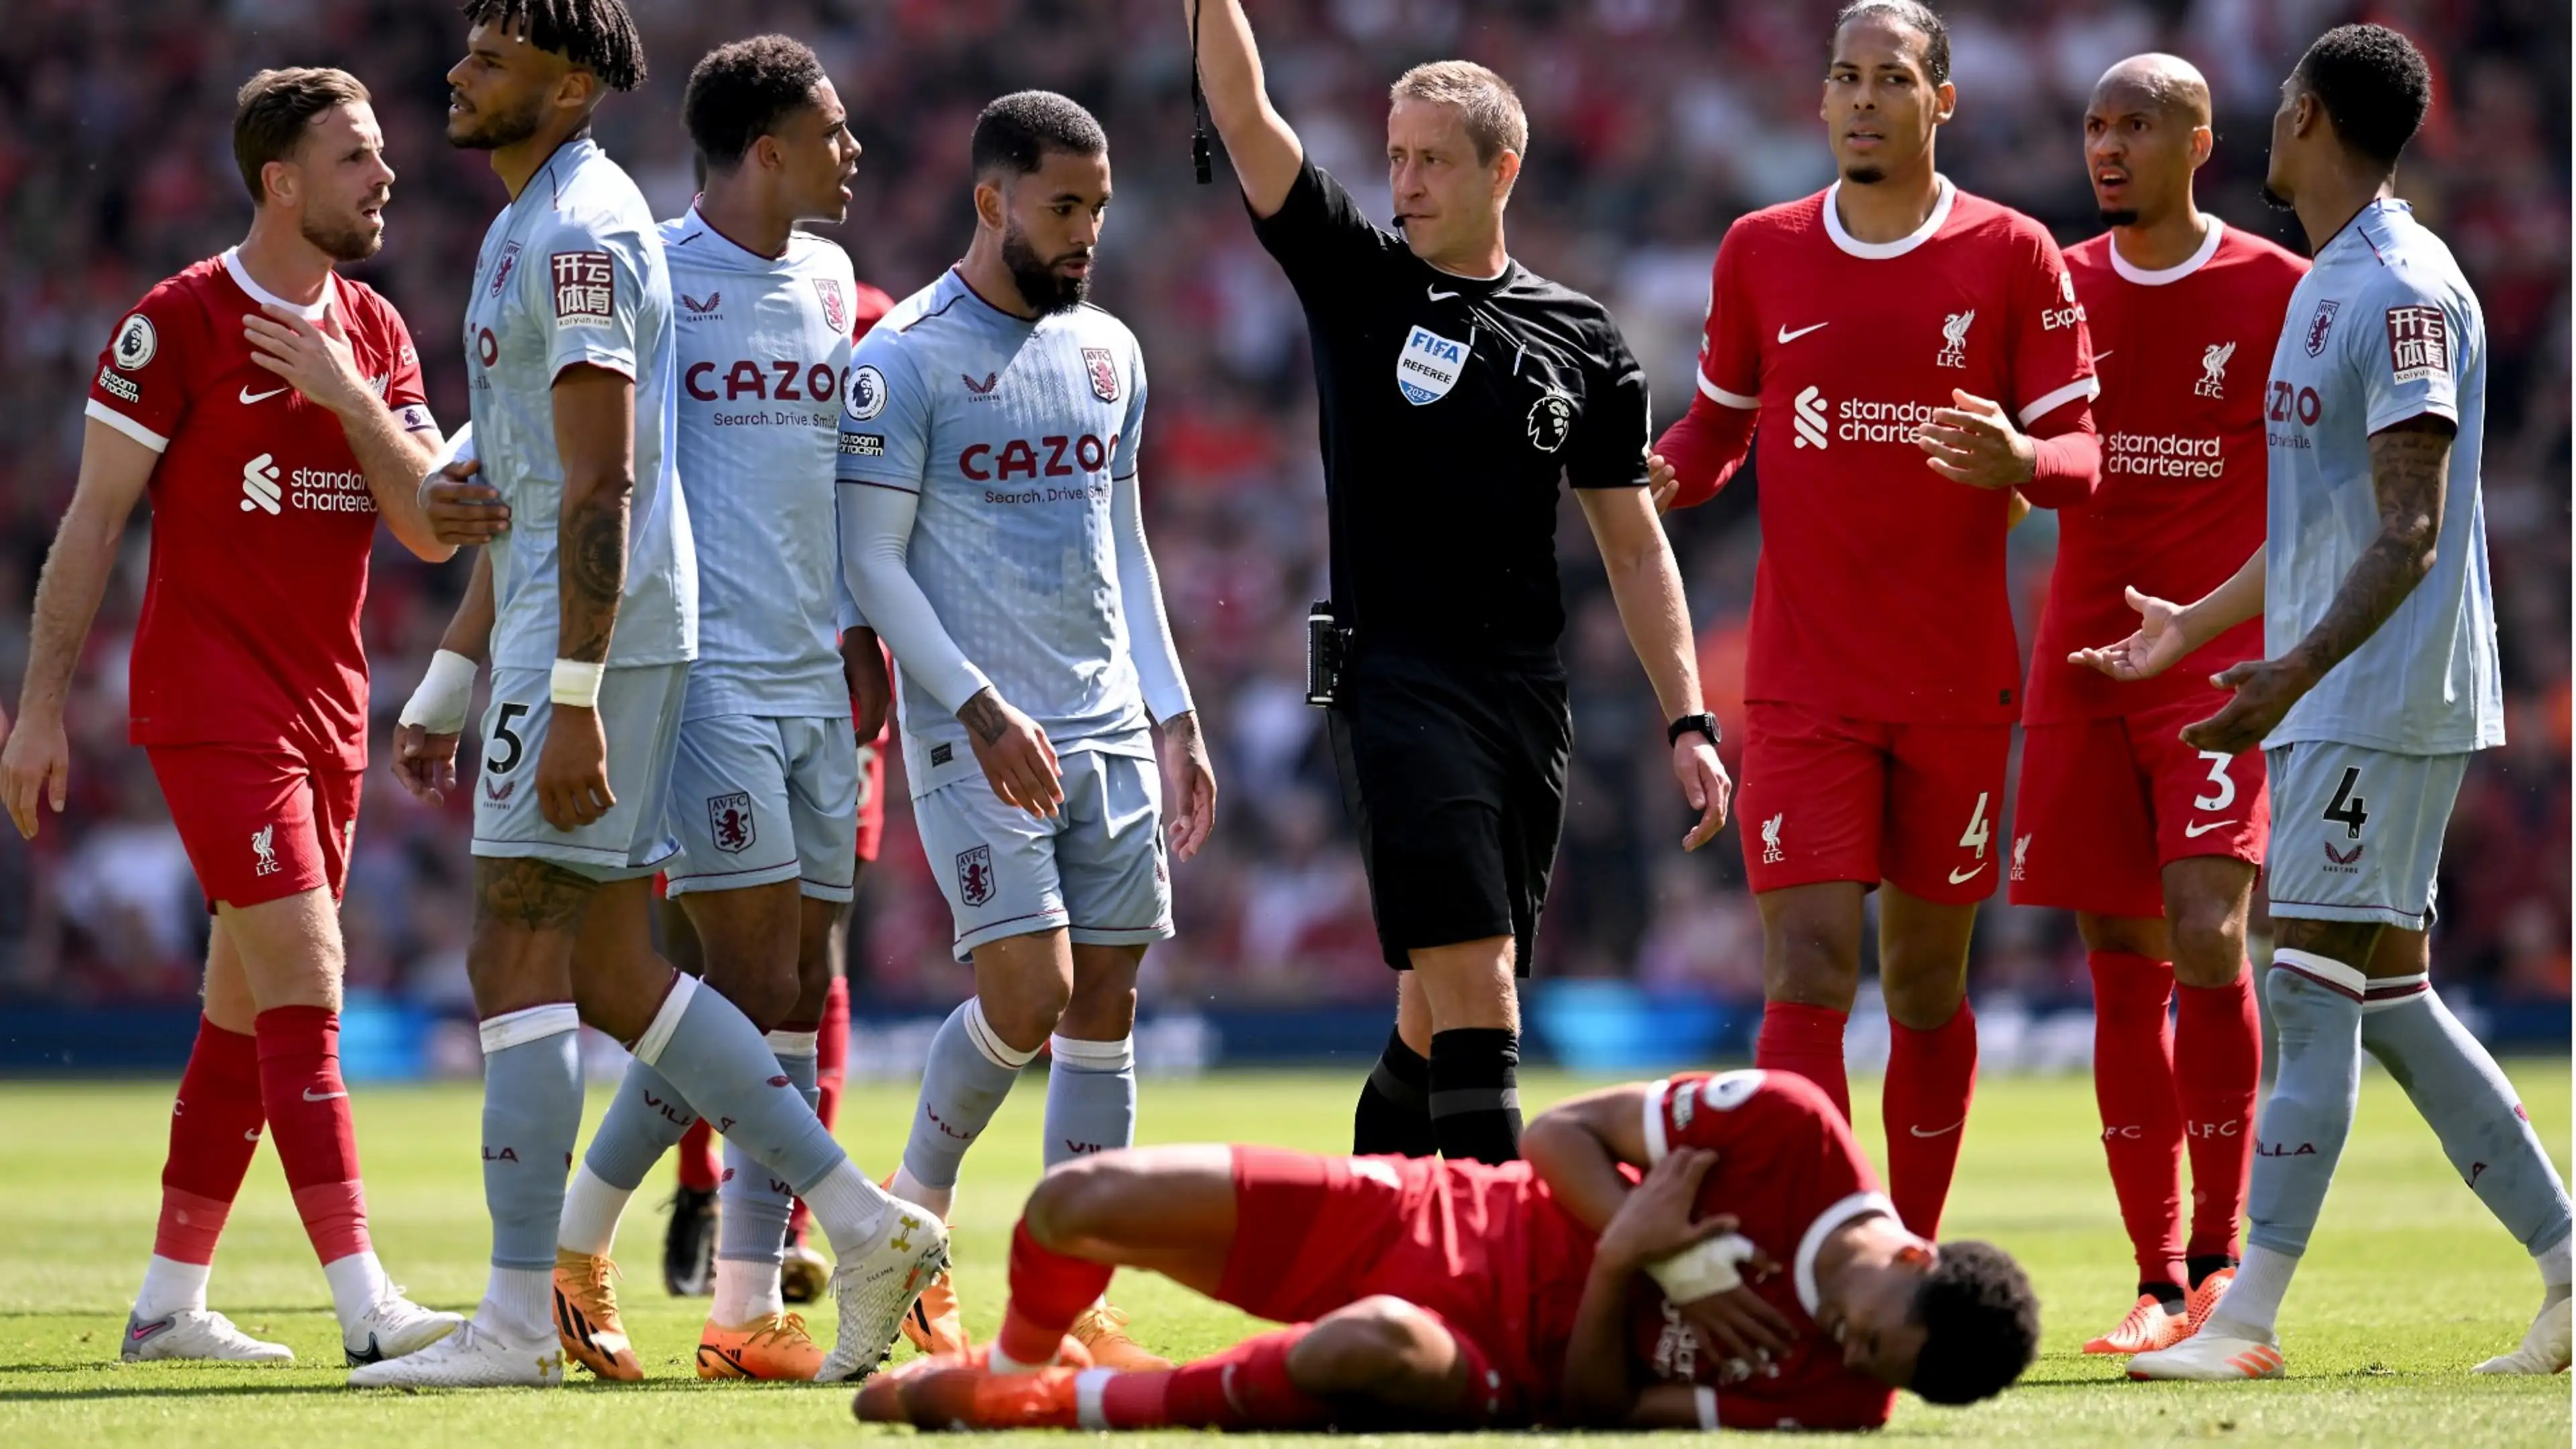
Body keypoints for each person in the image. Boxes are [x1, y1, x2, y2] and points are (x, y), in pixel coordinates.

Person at [352, 0, 942, 1388]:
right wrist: (453, 671)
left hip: (610, 642)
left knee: (529, 954)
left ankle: (529, 1314)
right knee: (621, 971)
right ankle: (853, 1227)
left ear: (566, 88)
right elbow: (535, 478)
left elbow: (606, 485)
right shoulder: (557, 222)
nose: (459, 72)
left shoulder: (581, 237)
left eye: (492, 58)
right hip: (639, 642)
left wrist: (565, 692)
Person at [2082, 24, 2572, 1381]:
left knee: (2301, 991)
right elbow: (2327, 520)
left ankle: (2241, 1323)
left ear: (2305, 115)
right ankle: (2573, 1265)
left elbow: (2408, 532)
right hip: (2334, 693)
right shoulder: (2324, 281)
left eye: (2274, 109)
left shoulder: (2408, 289)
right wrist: (2205, 621)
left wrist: (2296, 669)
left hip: (2380, 696)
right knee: (2388, 998)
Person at [1188, 0, 1729, 1170]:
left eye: (1433, 158)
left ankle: (1370, 1238)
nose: (1407, 179)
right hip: (1393, 678)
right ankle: (1498, 1287)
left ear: (1504, 168)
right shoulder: (1358, 278)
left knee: (1430, 1022)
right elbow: (1244, 111)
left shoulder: (1583, 339)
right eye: (1395, 156)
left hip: (1525, 694)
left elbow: (1634, 547)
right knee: (1481, 986)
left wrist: (1688, 716)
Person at [0, 65, 480, 1368]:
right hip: (213, 707)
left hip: (329, 710)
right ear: (280, 179)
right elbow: (92, 523)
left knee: (241, 1013)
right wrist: (39, 711)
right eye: (357, 157)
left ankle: (166, 1305)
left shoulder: (373, 332)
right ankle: (368, 1310)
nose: (387, 176)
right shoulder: (180, 323)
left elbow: (430, 524)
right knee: (313, 980)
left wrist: (344, 391)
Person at [1650, 0, 2099, 1238]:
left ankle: (1910, 1244)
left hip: (1957, 682)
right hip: (1802, 683)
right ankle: (1819, 1249)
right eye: (1843, 76)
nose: (1860, 98)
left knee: (1921, 984)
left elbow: (2088, 450)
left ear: (1941, 100)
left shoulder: (2012, 252)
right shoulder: (1761, 247)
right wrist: (1663, 473)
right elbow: (1720, 426)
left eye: (1890, 79)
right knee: (1803, 972)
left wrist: (2023, 456)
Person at [836, 89, 1212, 1373]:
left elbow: (1124, 541)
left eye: (1099, 208)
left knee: (1104, 1003)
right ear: (992, 200)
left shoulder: (1109, 348)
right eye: (1065, 207)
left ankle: (1073, 1296)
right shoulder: (903, 359)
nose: (1087, 232)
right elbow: (872, 565)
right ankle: (912, 1222)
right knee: (1032, 990)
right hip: (975, 728)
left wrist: (1173, 710)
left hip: (1106, 724)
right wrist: (979, 704)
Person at [855, 1067, 2039, 1430]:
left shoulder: (1844, 1400)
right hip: (1433, 1214)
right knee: (1077, 1199)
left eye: (1871, 1370)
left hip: (1486, 1358)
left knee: (1367, 1349)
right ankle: (1015, 1367)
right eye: (1868, 1335)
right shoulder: (1791, 1129)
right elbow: (1564, 1130)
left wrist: (1632, 1257)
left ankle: (1046, 1406)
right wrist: (1667, 1260)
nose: (1844, 1354)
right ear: (1918, 1260)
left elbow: (1595, 1412)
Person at [2010, 54, 2308, 1355]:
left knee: (2206, 933)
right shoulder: (2059, 287)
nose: (2109, 145)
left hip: (2206, 660)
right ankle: (2155, 1279)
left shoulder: (2276, 291)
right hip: (2080, 658)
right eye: (2095, 124)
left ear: (2202, 140)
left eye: (2137, 124)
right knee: (2119, 967)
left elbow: (2320, 489)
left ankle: (2226, 1262)